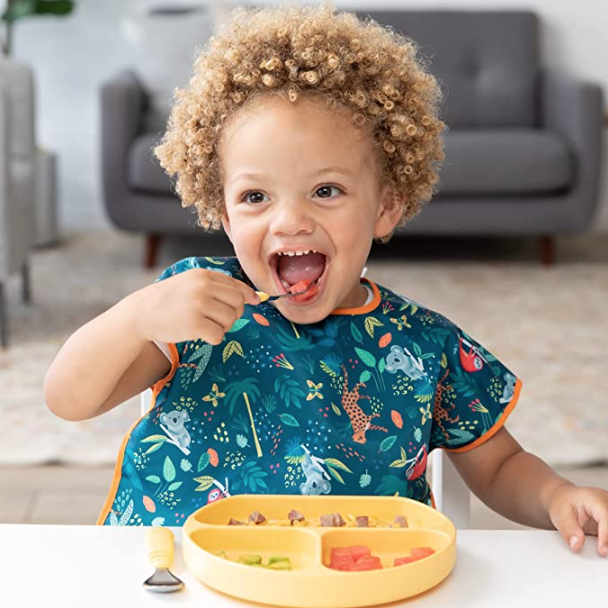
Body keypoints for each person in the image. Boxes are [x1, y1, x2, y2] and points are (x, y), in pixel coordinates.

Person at [44, 4, 607, 554]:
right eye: (256, 196)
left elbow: (501, 465)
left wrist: (558, 495)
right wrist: (134, 316)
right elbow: (68, 399)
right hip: (177, 578)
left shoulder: (426, 344)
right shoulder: (192, 305)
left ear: (386, 207)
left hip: (357, 585)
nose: (290, 220)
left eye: (326, 191)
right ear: (222, 212)